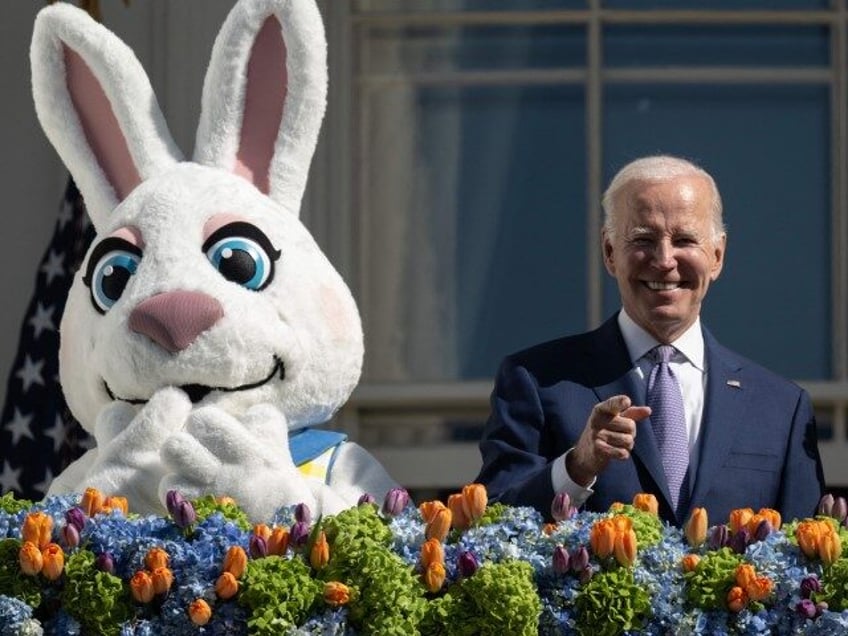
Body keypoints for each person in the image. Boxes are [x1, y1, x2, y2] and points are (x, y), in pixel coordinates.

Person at [475, 155, 825, 526]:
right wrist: (576, 467)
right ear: (610, 252)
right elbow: (491, 528)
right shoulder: (537, 381)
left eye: (685, 240)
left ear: (717, 256)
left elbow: (807, 563)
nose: (664, 260)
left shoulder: (781, 409)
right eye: (643, 239)